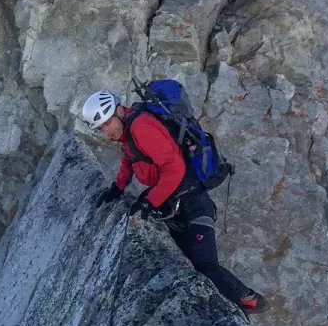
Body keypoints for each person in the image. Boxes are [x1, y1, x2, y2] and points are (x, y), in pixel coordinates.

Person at [82, 89, 269, 314]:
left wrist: (148, 203)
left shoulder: (141, 127)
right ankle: (238, 304)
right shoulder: (128, 132)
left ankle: (249, 301)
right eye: (101, 127)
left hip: (193, 202)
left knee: (204, 264)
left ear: (120, 111)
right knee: (188, 262)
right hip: (174, 203)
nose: (106, 130)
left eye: (107, 123)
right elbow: (129, 159)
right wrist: (117, 187)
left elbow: (175, 169)